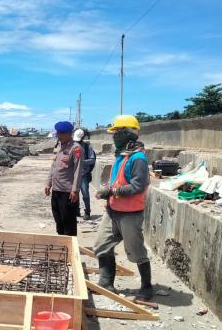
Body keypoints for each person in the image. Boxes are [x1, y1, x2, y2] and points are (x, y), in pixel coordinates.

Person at [92, 114, 153, 300]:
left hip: (130, 214)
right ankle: (106, 282)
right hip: (113, 212)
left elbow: (137, 186)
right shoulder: (121, 155)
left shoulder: (138, 158)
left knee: (136, 252)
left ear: (128, 134)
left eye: (117, 132)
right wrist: (109, 195)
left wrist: (110, 191)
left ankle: (147, 287)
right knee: (101, 245)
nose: (114, 136)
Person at [44, 121, 83, 236]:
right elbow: (53, 167)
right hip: (56, 190)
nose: (59, 136)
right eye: (58, 133)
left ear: (68, 134)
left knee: (68, 223)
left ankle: (70, 247)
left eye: (61, 133)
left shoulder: (76, 149)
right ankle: (62, 243)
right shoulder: (59, 147)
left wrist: (75, 190)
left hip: (67, 192)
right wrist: (48, 183)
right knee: (59, 220)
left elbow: (78, 170)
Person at [73, 128, 96, 220]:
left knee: (85, 193)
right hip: (73, 174)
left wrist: (82, 162)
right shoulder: (72, 146)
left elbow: (92, 159)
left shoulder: (87, 147)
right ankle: (76, 210)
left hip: (83, 174)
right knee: (75, 193)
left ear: (83, 138)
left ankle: (87, 211)